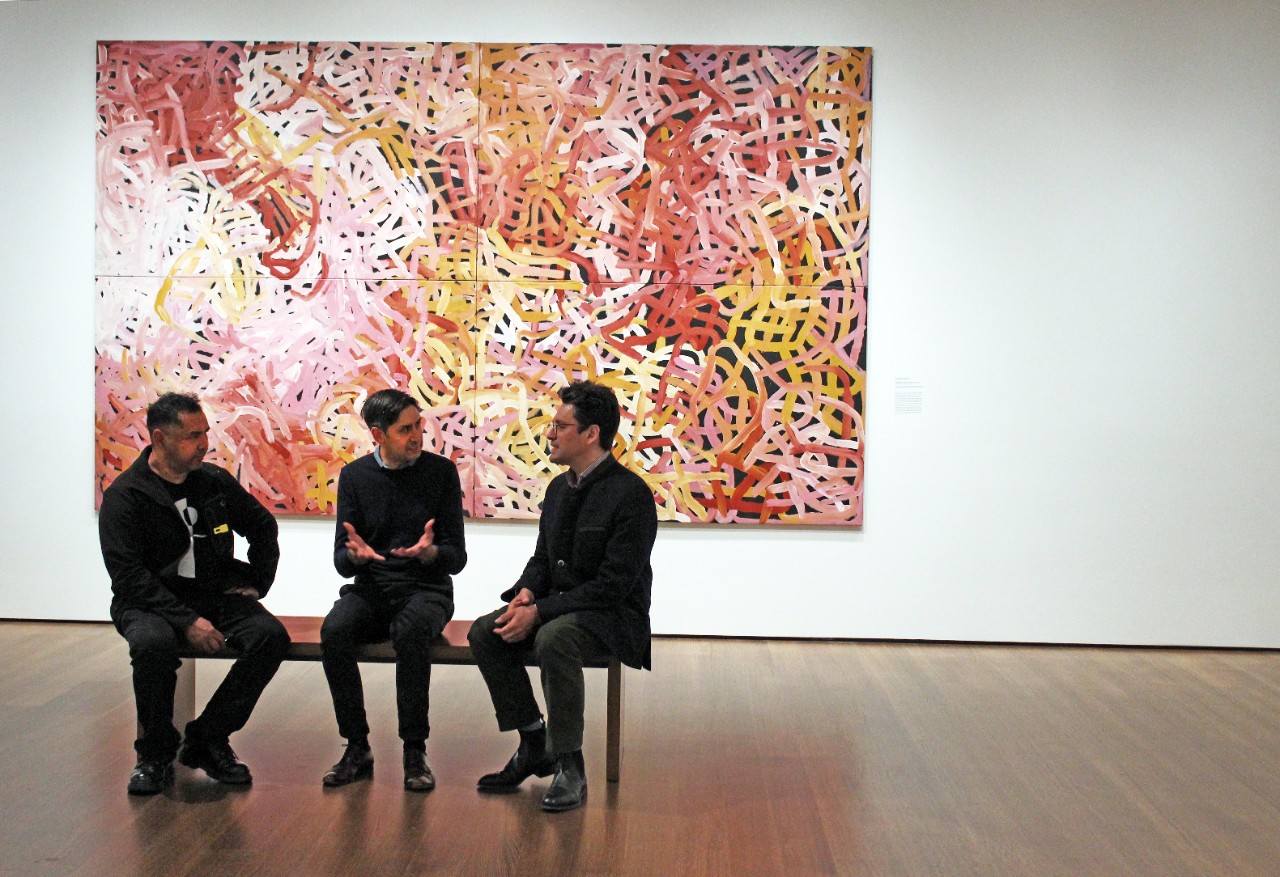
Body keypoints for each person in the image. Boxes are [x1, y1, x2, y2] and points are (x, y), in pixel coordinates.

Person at [469, 380, 657, 812]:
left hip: (612, 615)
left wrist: (539, 612)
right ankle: (535, 742)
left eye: (559, 425)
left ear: (591, 434)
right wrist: (524, 593)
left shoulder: (631, 495)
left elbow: (614, 586)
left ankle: (570, 765)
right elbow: (542, 557)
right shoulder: (557, 489)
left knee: (556, 638)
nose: (549, 433)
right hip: (555, 607)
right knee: (485, 632)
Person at [99, 392, 290, 795]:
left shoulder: (213, 483)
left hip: (213, 592)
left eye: (205, 433)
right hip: (147, 602)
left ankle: (207, 738)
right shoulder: (126, 496)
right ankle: (153, 755)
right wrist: (187, 621)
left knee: (270, 638)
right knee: (152, 645)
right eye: (191, 436)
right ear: (160, 438)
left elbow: (262, 526)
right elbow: (129, 576)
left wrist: (259, 580)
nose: (204, 443)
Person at [320, 388, 467, 792]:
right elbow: (340, 560)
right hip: (372, 588)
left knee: (411, 631)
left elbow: (457, 557)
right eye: (406, 429)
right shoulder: (354, 477)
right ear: (378, 434)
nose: (417, 435)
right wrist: (357, 557)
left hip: (428, 588)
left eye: (419, 425)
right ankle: (356, 745)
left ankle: (414, 749)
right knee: (334, 632)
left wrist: (430, 552)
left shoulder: (440, 473)